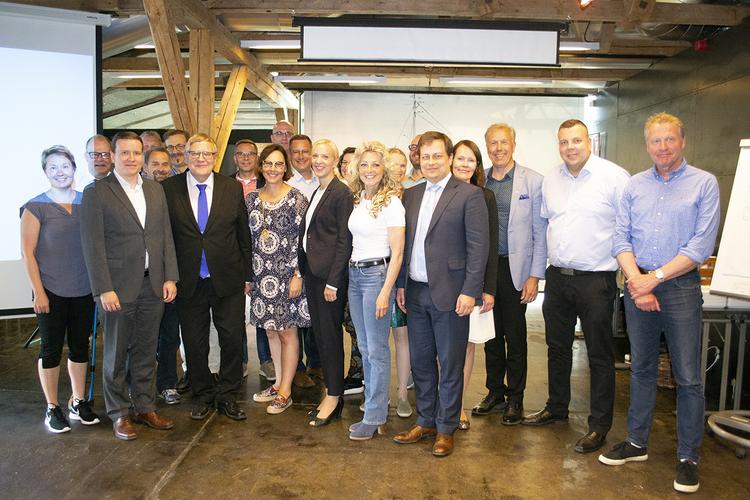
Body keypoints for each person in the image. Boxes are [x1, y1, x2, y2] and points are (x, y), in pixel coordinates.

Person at [599, 112, 720, 494]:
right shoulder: (635, 185)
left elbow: (700, 245)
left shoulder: (704, 183)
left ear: (682, 141)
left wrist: (655, 278)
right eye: (656, 140)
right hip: (638, 285)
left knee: (687, 376)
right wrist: (638, 281)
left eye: (669, 139)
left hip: (680, 287)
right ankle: (637, 443)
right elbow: (620, 238)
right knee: (641, 368)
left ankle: (688, 457)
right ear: (647, 144)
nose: (663, 147)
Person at [522, 120, 630, 456]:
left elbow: (627, 227)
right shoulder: (551, 179)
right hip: (557, 278)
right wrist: (539, 273)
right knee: (557, 348)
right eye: (564, 142)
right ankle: (557, 408)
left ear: (589, 142)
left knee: (599, 354)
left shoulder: (615, 177)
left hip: (596, 280)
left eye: (576, 140)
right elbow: (545, 227)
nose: (570, 147)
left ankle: (599, 425)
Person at [394, 131, 489, 457]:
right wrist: (402, 284)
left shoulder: (469, 195)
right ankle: (425, 421)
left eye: (437, 156)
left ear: (449, 158)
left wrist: (470, 291)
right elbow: (405, 245)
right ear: (418, 159)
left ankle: (446, 428)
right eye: (425, 156)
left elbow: (478, 248)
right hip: (416, 291)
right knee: (421, 362)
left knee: (449, 364)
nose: (431, 162)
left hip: (452, 294)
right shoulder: (411, 194)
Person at [80, 131, 178, 440]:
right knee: (116, 353)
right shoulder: (97, 192)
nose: (131, 158)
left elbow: (164, 236)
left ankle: (145, 406)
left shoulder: (154, 189)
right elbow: (92, 246)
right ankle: (119, 413)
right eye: (124, 153)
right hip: (117, 289)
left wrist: (170, 276)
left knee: (147, 350)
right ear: (112, 156)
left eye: (136, 153)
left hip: (153, 285)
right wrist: (103, 288)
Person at [162, 133, 251, 422]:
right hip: (188, 280)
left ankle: (228, 395)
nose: (201, 158)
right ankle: (202, 394)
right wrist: (168, 276)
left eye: (207, 153)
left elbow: (243, 234)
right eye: (195, 153)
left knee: (232, 339)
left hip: (227, 277)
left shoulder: (231, 187)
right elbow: (165, 238)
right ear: (185, 156)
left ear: (215, 157)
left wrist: (248, 275)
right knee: (194, 342)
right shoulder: (168, 189)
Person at [20, 145, 99, 433]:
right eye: (53, 167)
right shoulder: (35, 207)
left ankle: (78, 401)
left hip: (84, 290)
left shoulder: (86, 202)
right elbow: (28, 253)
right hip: (50, 292)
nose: (60, 172)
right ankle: (52, 407)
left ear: (74, 169)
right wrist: (39, 292)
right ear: (45, 172)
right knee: (51, 350)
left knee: (80, 347)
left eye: (65, 166)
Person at [472, 124, 546, 426]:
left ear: (514, 144)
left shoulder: (533, 181)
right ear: (487, 146)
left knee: (514, 337)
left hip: (517, 271)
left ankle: (516, 398)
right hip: (487, 269)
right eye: (493, 143)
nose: (498, 148)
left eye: (504, 142)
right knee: (490, 335)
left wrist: (534, 275)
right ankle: (495, 393)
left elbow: (540, 232)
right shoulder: (481, 181)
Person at [345, 141, 405, 439]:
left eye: (376, 164)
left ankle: (375, 415)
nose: (369, 170)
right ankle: (373, 411)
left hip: (376, 276)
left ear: (385, 169)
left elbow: (398, 253)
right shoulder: (358, 199)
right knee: (365, 348)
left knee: (376, 349)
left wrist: (385, 292)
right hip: (354, 275)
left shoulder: (392, 203)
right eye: (364, 164)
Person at [247, 144, 310, 414]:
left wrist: (298, 275)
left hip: (288, 277)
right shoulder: (251, 199)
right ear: (261, 166)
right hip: (261, 276)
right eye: (268, 163)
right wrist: (249, 277)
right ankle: (278, 384)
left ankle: (286, 391)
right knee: (271, 330)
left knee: (287, 332)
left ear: (286, 168)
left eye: (279, 164)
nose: (273, 169)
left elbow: (304, 241)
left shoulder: (296, 198)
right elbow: (247, 240)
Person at [299, 139, 354, 426]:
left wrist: (334, 282)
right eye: (315, 156)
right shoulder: (319, 190)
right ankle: (332, 392)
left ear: (335, 161)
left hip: (328, 279)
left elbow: (345, 240)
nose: (318, 161)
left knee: (330, 337)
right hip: (314, 274)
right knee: (321, 336)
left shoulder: (340, 192)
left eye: (325, 156)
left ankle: (334, 396)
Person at [450, 139, 499, 430]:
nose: (465, 164)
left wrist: (487, 288)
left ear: (477, 166)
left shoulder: (485, 196)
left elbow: (490, 246)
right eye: (460, 158)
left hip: (473, 284)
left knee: (467, 345)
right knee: (442, 348)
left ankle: (457, 405)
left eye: (471, 160)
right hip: (443, 283)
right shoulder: (438, 192)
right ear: (450, 160)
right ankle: (441, 401)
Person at [231, 139, 275, 382]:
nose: (246, 158)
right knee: (235, 310)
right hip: (234, 253)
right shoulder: (225, 183)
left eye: (250, 154)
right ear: (234, 158)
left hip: (263, 254)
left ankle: (266, 360)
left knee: (262, 309)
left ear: (257, 158)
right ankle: (240, 360)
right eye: (241, 154)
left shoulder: (267, 182)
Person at [287, 133, 322, 388]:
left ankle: (317, 363)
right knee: (295, 314)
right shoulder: (287, 185)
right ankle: (297, 368)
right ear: (290, 154)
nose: (301, 156)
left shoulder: (324, 181)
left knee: (317, 313)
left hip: (320, 258)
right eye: (295, 151)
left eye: (305, 151)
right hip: (295, 257)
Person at [386, 147, 413, 418]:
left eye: (402, 165)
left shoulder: (411, 197)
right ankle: (378, 394)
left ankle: (403, 394)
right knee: (377, 342)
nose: (399, 169)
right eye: (393, 164)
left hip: (402, 278)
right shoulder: (371, 197)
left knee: (403, 338)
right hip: (375, 277)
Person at [336, 146, 364, 395]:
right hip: (338, 269)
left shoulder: (364, 194)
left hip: (360, 269)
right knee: (345, 322)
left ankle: (359, 375)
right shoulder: (335, 191)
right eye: (344, 162)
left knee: (358, 326)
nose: (347, 166)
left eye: (352, 162)